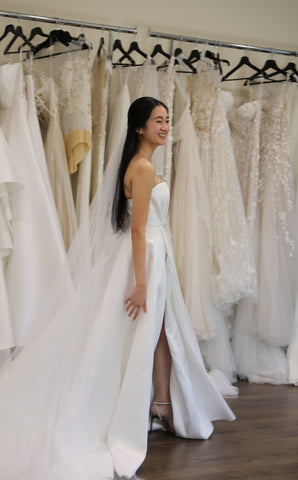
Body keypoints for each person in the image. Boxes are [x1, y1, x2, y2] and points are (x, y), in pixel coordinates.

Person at [0, 96, 235, 480]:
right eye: (158, 121)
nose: (165, 126)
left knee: (162, 331)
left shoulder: (142, 165)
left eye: (167, 120)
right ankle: (146, 403)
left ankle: (161, 403)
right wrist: (141, 283)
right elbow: (139, 229)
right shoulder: (141, 168)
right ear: (139, 127)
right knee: (147, 331)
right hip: (145, 261)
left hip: (157, 258)